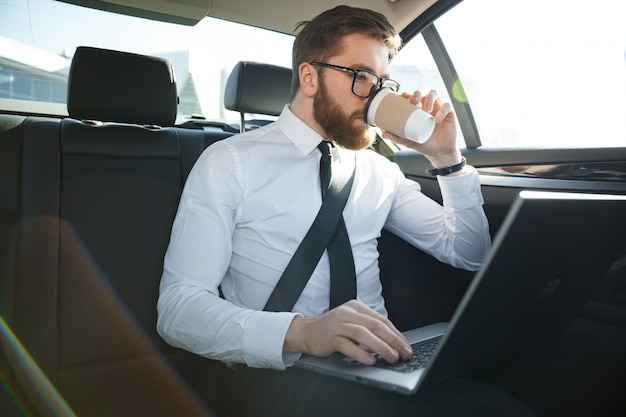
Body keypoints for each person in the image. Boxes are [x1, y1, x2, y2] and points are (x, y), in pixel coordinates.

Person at [156, 5, 538, 417]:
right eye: (360, 77)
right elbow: (179, 310)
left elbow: (469, 253)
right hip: (282, 380)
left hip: (381, 368)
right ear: (309, 77)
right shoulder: (229, 162)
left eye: (382, 83)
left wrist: (447, 159)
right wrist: (302, 332)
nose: (376, 96)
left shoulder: (379, 170)